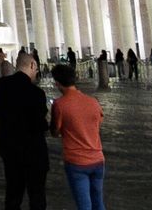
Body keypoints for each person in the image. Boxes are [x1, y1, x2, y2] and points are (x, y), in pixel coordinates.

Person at [0, 52, 50, 210]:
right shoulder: (37, 93)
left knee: (13, 194)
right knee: (37, 196)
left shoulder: (1, 85)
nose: (36, 73)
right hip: (33, 150)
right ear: (32, 65)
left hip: (9, 148)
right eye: (36, 69)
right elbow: (40, 124)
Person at [51, 63, 106, 209]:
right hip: (98, 159)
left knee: (84, 205)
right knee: (98, 202)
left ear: (57, 83)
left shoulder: (59, 104)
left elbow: (55, 132)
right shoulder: (93, 102)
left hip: (76, 162)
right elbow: (98, 123)